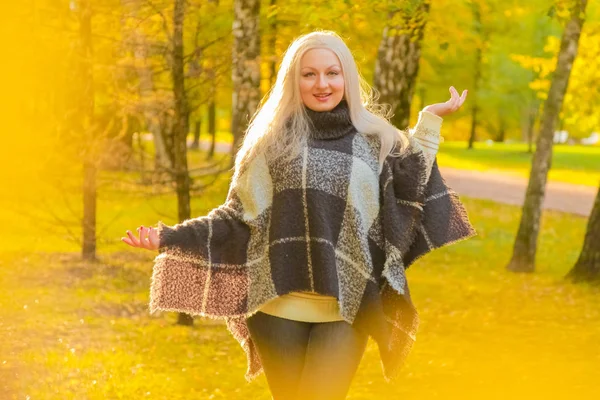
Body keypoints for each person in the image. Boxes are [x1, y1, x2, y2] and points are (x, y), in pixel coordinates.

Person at [122, 30, 475, 400]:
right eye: (309, 74)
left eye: (332, 73)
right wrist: (169, 236)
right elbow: (236, 218)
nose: (322, 83)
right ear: (294, 80)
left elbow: (412, 180)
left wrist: (430, 120)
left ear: (347, 78)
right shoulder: (272, 143)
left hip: (347, 303)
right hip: (277, 307)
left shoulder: (376, 139)